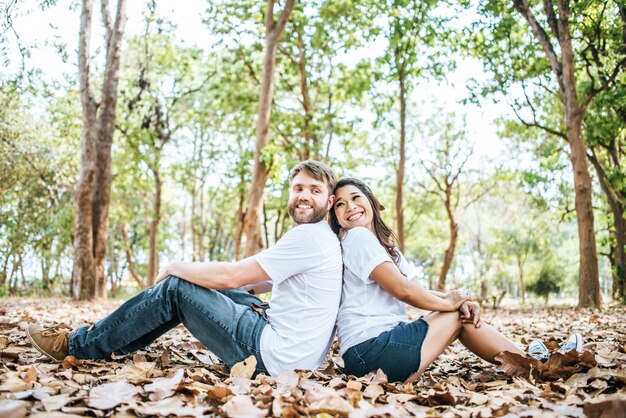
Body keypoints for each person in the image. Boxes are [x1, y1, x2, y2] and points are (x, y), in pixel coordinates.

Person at [26, 160, 343, 377]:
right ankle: (118, 342)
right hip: (292, 355)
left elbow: (233, 275)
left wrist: (176, 267)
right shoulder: (320, 238)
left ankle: (79, 346)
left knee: (178, 288)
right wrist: (220, 293)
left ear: (328, 203)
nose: (304, 196)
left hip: (270, 358)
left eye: (314, 190)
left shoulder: (309, 237)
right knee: (213, 289)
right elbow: (258, 283)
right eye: (298, 188)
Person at [329, 177, 583, 383]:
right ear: (336, 216)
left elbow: (417, 289)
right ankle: (539, 366)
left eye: (355, 198)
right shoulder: (356, 238)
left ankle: (531, 362)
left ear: (372, 202)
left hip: (373, 353)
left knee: (458, 312)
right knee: (457, 317)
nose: (349, 207)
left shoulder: (383, 247)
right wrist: (453, 305)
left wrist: (460, 299)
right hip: (370, 353)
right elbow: (404, 291)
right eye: (339, 204)